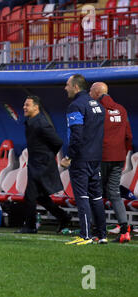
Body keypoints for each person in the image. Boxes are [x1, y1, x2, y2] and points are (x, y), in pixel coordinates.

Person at [61, 74, 107, 245]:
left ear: (75, 87)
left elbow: (77, 134)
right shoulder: (98, 106)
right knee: (96, 197)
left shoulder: (76, 106)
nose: (65, 88)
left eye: (67, 85)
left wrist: (69, 156)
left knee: (82, 197)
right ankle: (102, 235)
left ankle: (85, 235)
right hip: (96, 157)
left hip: (81, 158)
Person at [15, 96, 72, 234]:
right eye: (24, 104)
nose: (24, 107)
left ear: (36, 107)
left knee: (30, 196)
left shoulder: (41, 123)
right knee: (41, 197)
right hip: (35, 164)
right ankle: (64, 217)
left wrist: (47, 155)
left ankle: (30, 226)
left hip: (42, 165)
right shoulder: (30, 122)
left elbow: (57, 142)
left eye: (27, 105)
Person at [89, 82, 133, 243]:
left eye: (90, 90)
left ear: (96, 92)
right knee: (114, 193)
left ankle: (97, 231)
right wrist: (123, 152)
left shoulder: (95, 109)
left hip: (101, 157)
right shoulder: (121, 109)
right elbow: (128, 136)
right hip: (119, 157)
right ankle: (124, 231)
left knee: (96, 193)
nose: (89, 93)